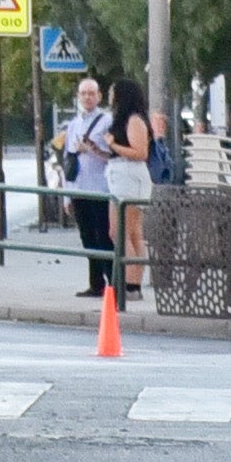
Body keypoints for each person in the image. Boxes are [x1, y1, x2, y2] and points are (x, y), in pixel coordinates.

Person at [58, 76, 116, 297]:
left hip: (101, 189)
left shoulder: (107, 121)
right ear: (78, 97)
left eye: (91, 93)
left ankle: (112, 282)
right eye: (83, 93)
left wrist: (91, 148)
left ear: (99, 96)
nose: (87, 97)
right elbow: (68, 160)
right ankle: (96, 283)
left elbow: (114, 154)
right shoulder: (74, 124)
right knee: (87, 238)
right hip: (79, 188)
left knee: (103, 237)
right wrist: (67, 195)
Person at [102, 78, 157, 299]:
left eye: (113, 92)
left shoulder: (134, 119)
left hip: (129, 178)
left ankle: (132, 283)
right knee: (129, 232)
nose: (109, 97)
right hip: (121, 175)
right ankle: (132, 283)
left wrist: (113, 144)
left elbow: (140, 152)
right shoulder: (125, 119)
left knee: (122, 232)